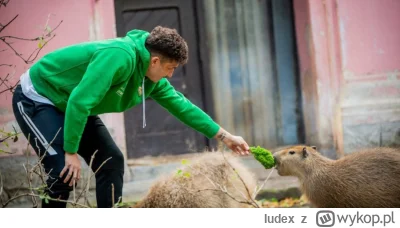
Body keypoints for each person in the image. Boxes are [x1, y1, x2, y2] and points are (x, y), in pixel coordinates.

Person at [12, 26, 250, 208]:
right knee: (62, 170)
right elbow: (79, 100)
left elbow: (183, 107)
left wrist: (225, 136)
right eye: (171, 68)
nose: (171, 74)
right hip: (39, 97)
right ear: (155, 61)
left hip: (73, 104)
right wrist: (71, 151)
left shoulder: (152, 80)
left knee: (111, 160)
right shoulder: (119, 56)